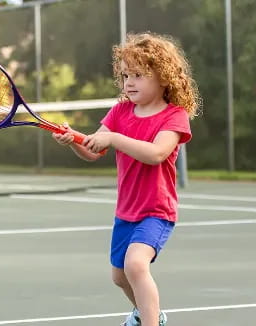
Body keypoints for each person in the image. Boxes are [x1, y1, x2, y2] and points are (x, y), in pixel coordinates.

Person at [52, 32, 200, 326]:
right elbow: (94, 152)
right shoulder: (120, 111)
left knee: (135, 265)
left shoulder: (174, 116)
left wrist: (115, 138)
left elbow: (157, 153)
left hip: (156, 211)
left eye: (138, 75)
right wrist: (75, 142)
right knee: (119, 276)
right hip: (126, 211)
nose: (128, 82)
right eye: (124, 75)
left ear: (163, 77)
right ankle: (148, 315)